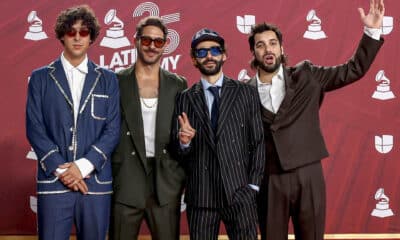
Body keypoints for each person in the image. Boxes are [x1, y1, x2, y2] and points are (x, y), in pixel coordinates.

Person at [246, 0, 385, 239]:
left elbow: (353, 70)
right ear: (254, 52)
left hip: (308, 174)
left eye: (272, 43)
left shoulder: (306, 75)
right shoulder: (242, 92)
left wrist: (371, 32)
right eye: (261, 45)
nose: (268, 50)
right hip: (268, 180)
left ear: (281, 48)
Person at [26, 5, 120, 240]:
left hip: (95, 183)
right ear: (61, 35)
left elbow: (112, 129)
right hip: (55, 182)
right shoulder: (40, 77)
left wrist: (84, 166)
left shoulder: (108, 79)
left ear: (92, 37)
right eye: (71, 31)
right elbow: (35, 128)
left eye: (84, 31)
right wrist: (62, 169)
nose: (77, 37)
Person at [172, 28, 265, 239]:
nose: (209, 56)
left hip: (240, 193)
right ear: (194, 60)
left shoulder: (245, 93)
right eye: (202, 52)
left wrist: (252, 186)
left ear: (224, 54)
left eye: (214, 50)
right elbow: (177, 152)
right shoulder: (184, 98)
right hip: (201, 197)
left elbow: (258, 142)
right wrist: (184, 143)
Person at [109, 16, 187, 240]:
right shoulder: (116, 80)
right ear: (135, 41)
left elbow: (182, 133)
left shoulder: (178, 83)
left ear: (165, 46)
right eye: (147, 40)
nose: (152, 46)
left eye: (158, 42)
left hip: (165, 184)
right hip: (126, 180)